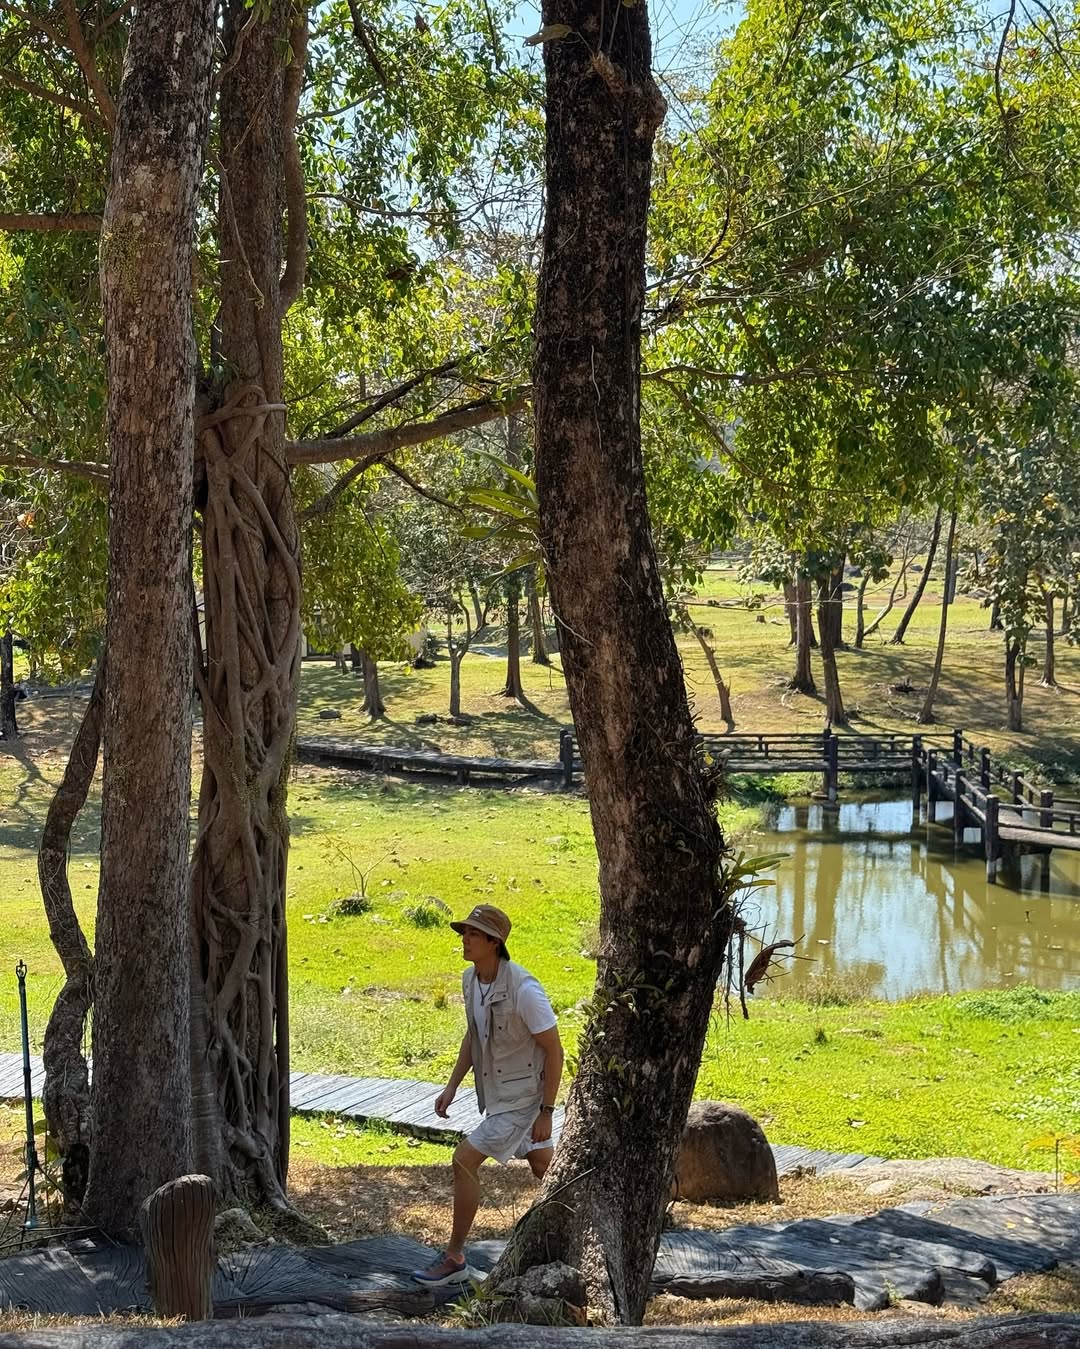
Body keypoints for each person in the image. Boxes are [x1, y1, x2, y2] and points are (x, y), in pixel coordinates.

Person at [412, 903, 564, 1286]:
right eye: (463, 932)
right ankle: (569, 1242)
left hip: (524, 1099)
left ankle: (454, 1257)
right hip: (500, 1096)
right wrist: (451, 1086)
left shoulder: (525, 991)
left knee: (463, 1160)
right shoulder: (470, 979)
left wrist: (546, 1110)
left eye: (473, 934)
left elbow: (554, 1049)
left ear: (495, 943)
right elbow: (473, 1036)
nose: (464, 939)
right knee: (547, 1170)